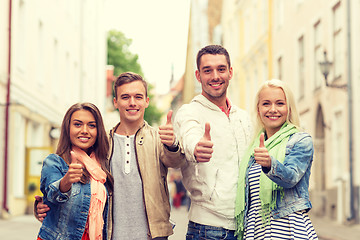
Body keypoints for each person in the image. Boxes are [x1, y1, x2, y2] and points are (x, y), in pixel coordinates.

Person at [36, 72, 185, 240]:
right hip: (110, 234)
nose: (132, 103)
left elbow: (177, 161)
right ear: (115, 102)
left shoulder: (159, 138)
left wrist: (172, 143)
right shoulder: (101, 143)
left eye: (138, 97)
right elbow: (74, 183)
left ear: (146, 101)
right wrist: (45, 204)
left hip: (153, 235)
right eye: (125, 97)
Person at [173, 45, 253, 239]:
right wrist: (196, 148)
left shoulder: (243, 117)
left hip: (246, 227)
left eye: (221, 69)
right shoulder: (189, 112)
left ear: (230, 72)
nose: (215, 76)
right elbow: (189, 134)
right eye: (207, 70)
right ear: (198, 76)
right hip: (209, 230)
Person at [234, 79, 318, 239]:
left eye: (280, 103)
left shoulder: (300, 141)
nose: (273, 109)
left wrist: (269, 164)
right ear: (258, 109)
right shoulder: (252, 149)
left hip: (288, 229)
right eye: (266, 104)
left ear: (289, 109)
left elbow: (291, 177)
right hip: (256, 230)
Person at [37, 102, 113, 240]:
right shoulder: (54, 162)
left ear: (98, 131)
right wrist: (66, 180)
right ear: (68, 128)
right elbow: (51, 194)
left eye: (92, 125)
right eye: (77, 124)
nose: (84, 130)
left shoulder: (103, 167)